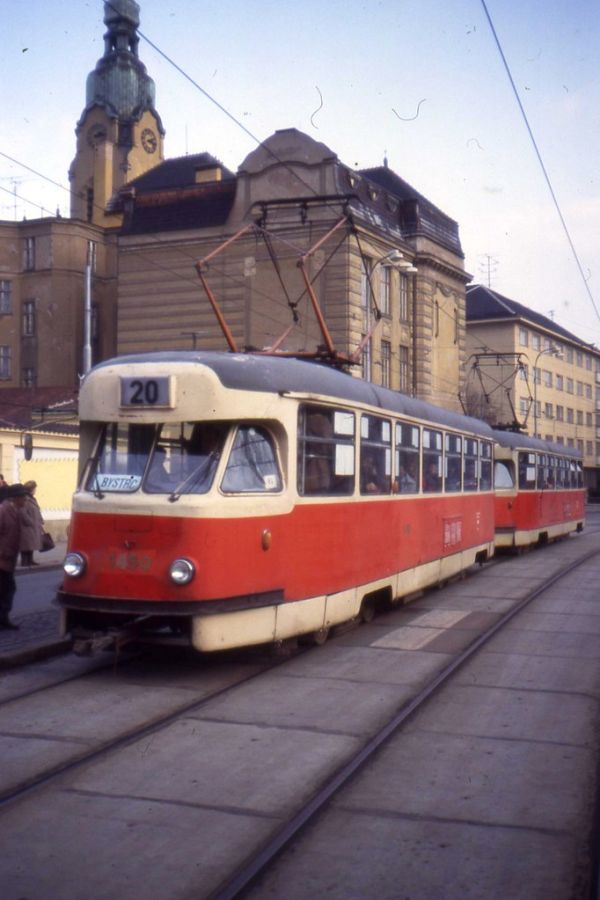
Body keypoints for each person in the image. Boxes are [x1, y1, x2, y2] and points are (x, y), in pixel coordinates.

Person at [0, 483, 29, 629]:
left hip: (8, 559)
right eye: (23, 498)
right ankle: (2, 619)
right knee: (6, 589)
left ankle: (3, 618)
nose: (25, 501)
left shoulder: (16, 511)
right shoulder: (3, 511)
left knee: (7, 590)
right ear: (15, 498)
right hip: (2, 559)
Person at [19, 480, 44, 566]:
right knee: (26, 545)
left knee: (31, 544)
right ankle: (25, 561)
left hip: (33, 526)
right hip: (27, 527)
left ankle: (30, 560)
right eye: (34, 488)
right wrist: (30, 522)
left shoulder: (32, 499)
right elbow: (23, 512)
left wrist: (41, 520)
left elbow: (37, 510)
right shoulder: (26, 499)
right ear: (31, 489)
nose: (35, 490)